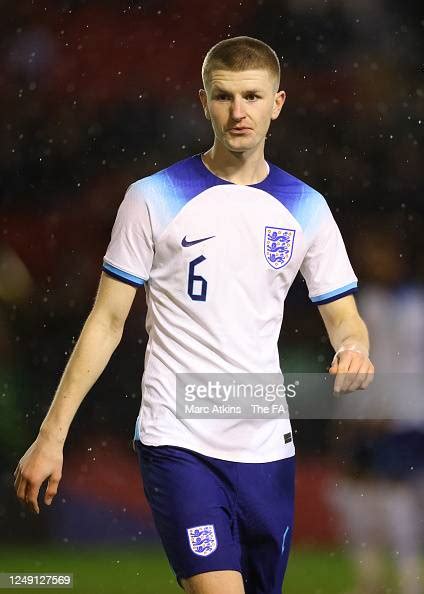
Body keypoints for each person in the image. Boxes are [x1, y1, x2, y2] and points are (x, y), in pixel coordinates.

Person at [14, 36, 374, 594]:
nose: (238, 112)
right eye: (224, 97)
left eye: (252, 97)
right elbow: (107, 321)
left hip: (265, 442)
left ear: (277, 103)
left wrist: (355, 348)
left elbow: (345, 318)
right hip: (177, 437)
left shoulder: (307, 207)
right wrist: (51, 435)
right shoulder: (152, 197)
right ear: (202, 101)